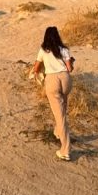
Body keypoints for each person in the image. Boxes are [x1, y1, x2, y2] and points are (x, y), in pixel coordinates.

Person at [31, 26, 75, 161]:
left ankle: (65, 150)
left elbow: (36, 67)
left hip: (52, 80)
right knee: (62, 109)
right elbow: (70, 68)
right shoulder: (64, 49)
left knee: (60, 115)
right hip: (65, 79)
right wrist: (71, 61)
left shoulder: (43, 50)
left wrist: (35, 72)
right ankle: (57, 132)